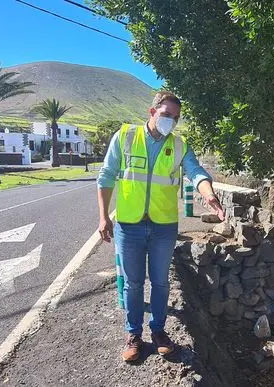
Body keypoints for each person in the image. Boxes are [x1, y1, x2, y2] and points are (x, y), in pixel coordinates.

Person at [96, 91, 224, 362]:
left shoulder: (179, 145)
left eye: (175, 118)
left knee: (160, 282)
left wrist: (207, 191)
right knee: (132, 284)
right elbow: (106, 176)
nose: (171, 122)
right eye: (166, 115)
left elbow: (196, 171)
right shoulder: (126, 137)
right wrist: (103, 217)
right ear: (152, 112)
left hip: (163, 227)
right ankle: (133, 335)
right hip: (129, 225)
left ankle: (159, 331)